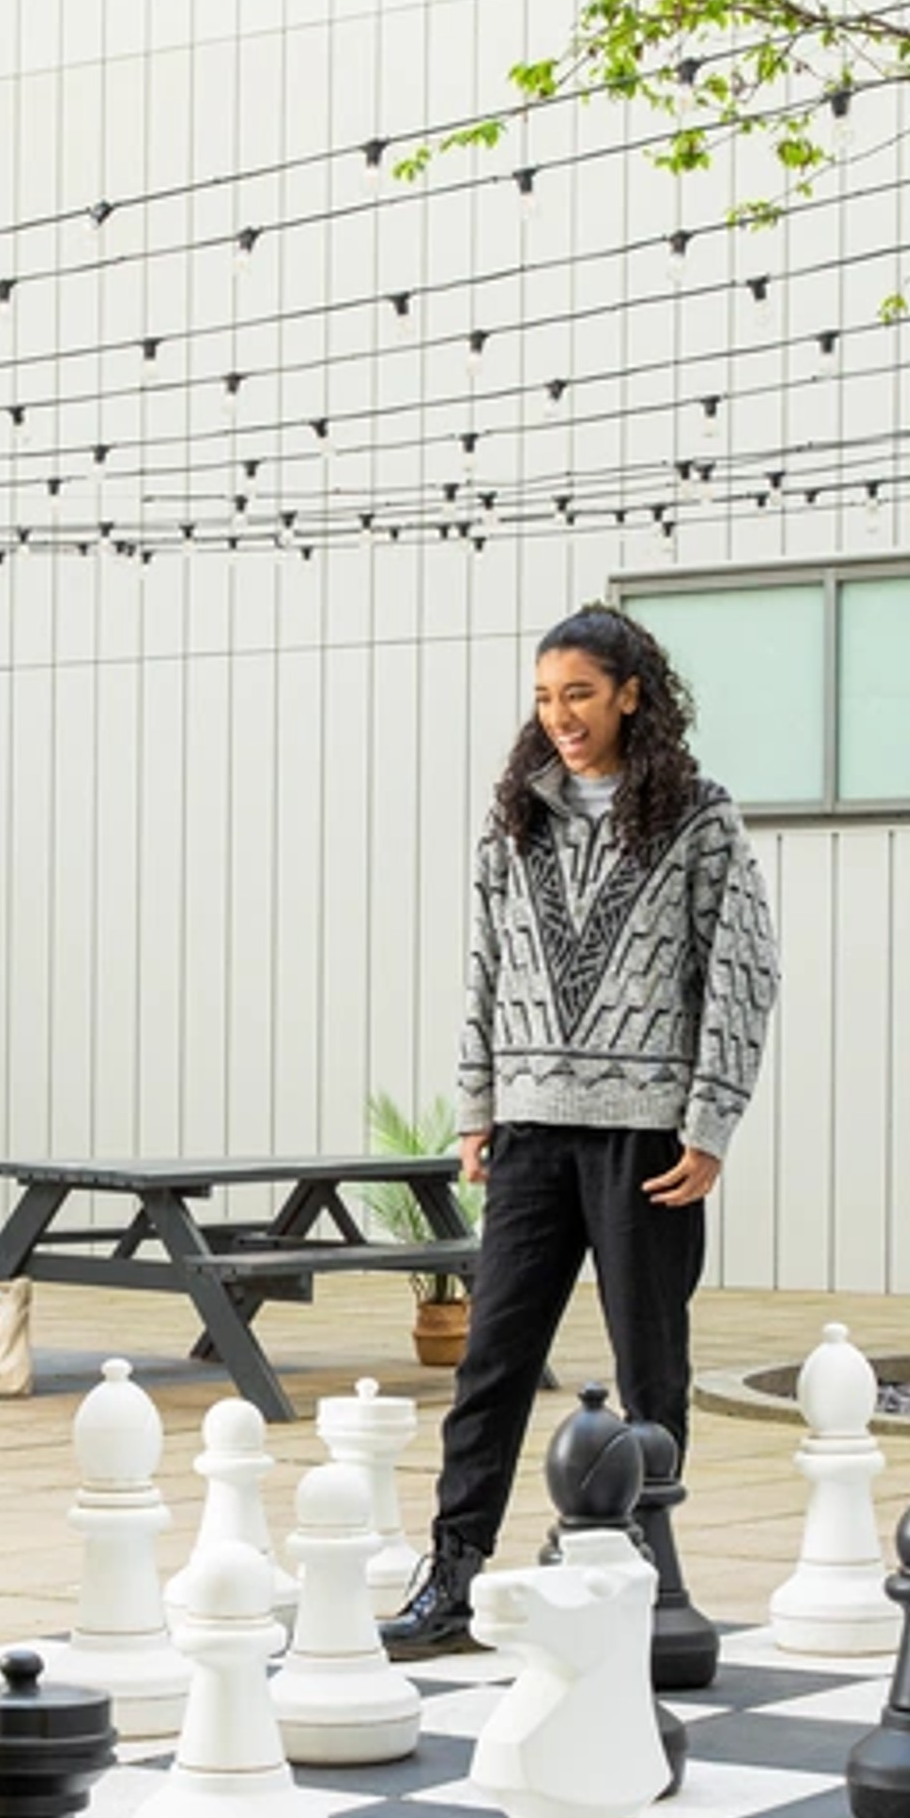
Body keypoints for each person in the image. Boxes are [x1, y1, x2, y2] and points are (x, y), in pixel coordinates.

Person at [379, 606, 779, 1658]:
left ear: (632, 692)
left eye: (581, 694)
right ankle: (452, 1578)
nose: (560, 716)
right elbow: (485, 968)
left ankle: (645, 1580)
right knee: (492, 1367)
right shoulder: (516, 819)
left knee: (652, 1370)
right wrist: (478, 1107)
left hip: (645, 1139)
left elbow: (741, 974)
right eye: (545, 697)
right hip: (531, 1135)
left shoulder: (700, 819)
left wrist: (710, 1121)